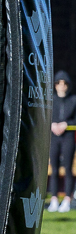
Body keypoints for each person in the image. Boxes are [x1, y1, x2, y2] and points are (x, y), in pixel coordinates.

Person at [48, 70, 76, 212]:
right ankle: (53, 199)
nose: (62, 86)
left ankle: (67, 200)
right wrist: (52, 124)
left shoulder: (73, 100)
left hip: (68, 137)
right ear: (55, 85)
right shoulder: (50, 100)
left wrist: (67, 123)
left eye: (64, 83)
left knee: (68, 169)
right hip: (54, 137)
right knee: (54, 169)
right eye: (59, 83)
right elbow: (45, 117)